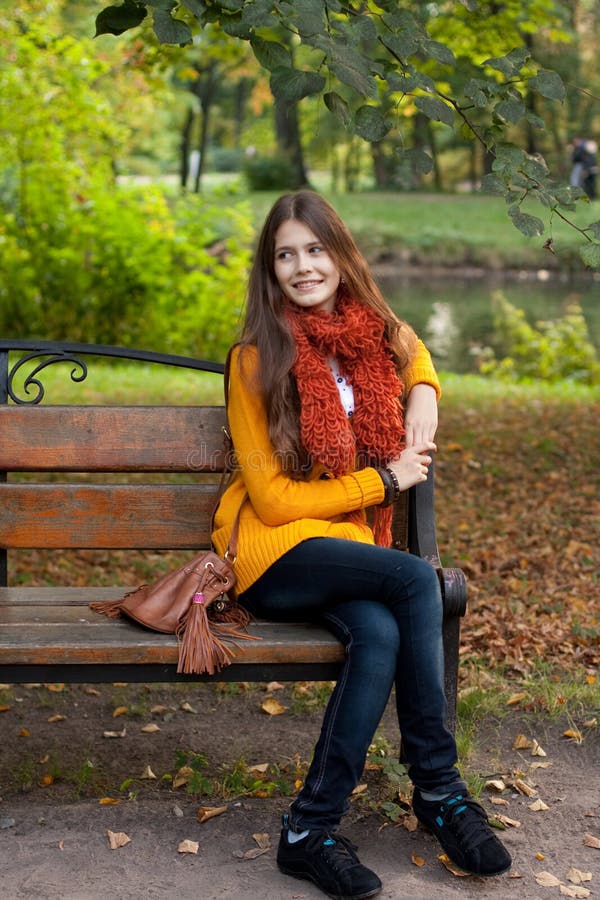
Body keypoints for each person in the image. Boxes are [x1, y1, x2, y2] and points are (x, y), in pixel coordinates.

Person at [212, 190, 512, 899]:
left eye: (315, 249)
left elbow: (419, 356)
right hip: (271, 554)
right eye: (285, 254)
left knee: (377, 634)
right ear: (270, 270)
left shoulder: (373, 334)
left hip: (341, 549)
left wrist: (425, 396)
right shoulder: (254, 358)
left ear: (341, 257)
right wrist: (382, 480)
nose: (303, 266)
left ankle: (307, 830)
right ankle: (439, 790)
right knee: (415, 580)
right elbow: (275, 500)